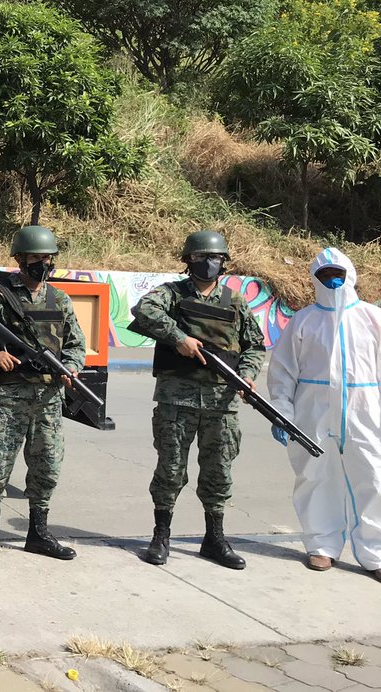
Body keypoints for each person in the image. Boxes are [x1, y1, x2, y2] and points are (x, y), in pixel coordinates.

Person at [129, 229, 265, 570]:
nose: (209, 263)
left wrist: (247, 375)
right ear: (188, 260)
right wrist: (178, 339)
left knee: (218, 472)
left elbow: (254, 345)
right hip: (177, 401)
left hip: (222, 403)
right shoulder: (172, 295)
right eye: (202, 257)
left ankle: (214, 539)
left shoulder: (234, 301)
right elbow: (142, 310)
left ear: (224, 263)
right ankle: (161, 535)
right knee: (170, 470)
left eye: (216, 258)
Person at [0, 225, 86, 563]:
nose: (41, 264)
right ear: (20, 259)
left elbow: (76, 345)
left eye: (47, 258)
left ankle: (38, 534)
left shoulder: (59, 299)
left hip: (48, 400)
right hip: (6, 398)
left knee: (47, 466)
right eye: (35, 258)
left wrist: (69, 366)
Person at [267, 248, 381, 581]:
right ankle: (321, 546)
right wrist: (282, 413)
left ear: (351, 274)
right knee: (315, 478)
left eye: (338, 273)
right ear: (314, 278)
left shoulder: (372, 318)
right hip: (313, 413)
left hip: (365, 411)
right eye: (325, 274)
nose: (332, 280)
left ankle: (375, 552)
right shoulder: (304, 320)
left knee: (374, 477)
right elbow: (283, 372)